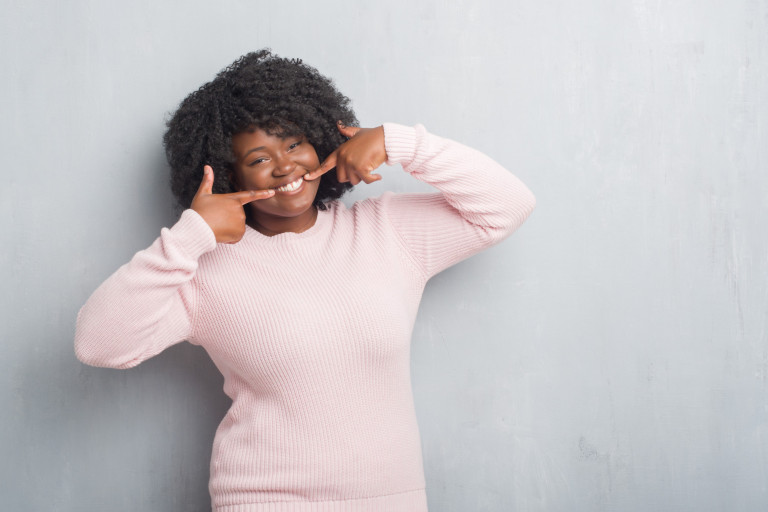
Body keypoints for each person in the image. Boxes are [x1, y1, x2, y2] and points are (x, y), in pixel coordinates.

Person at [74, 49, 536, 512]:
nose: (284, 167)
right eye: (259, 158)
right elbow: (99, 344)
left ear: (319, 141)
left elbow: (508, 205)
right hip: (264, 501)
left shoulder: (386, 232)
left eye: (294, 144)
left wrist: (400, 143)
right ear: (229, 173)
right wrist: (190, 236)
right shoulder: (202, 269)